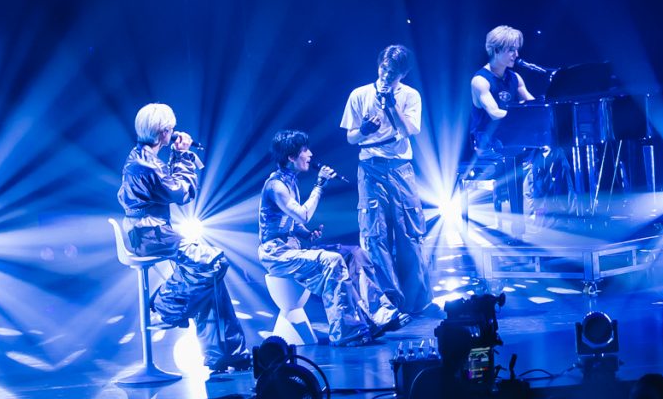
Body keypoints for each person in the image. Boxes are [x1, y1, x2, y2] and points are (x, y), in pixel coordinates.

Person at [117, 103, 247, 370]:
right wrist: (184, 157)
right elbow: (182, 193)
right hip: (150, 233)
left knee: (211, 280)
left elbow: (168, 185)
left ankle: (225, 353)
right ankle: (165, 303)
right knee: (213, 262)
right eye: (171, 129)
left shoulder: (143, 157)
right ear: (163, 132)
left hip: (151, 231)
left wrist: (176, 157)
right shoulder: (146, 164)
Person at [257, 130, 374, 343]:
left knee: (353, 253)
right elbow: (302, 215)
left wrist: (307, 234)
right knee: (332, 260)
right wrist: (319, 186)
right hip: (276, 254)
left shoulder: (290, 181)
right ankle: (346, 332)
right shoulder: (276, 186)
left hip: (291, 248)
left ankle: (373, 316)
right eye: (305, 150)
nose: (310, 154)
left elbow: (290, 223)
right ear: (291, 157)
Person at [342, 44, 431, 324]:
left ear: (402, 74)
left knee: (409, 232)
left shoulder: (410, 96)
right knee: (374, 234)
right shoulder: (359, 94)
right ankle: (387, 302)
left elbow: (410, 130)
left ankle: (416, 301)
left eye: (393, 72)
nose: (386, 74)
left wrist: (391, 103)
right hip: (370, 167)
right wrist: (364, 130)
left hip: (400, 168)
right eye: (384, 68)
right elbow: (351, 138)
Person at [466, 25, 538, 217]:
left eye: (517, 49)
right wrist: (523, 115)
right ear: (496, 50)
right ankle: (517, 218)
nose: (516, 54)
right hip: (487, 143)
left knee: (552, 151)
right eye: (511, 50)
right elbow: (495, 113)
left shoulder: (515, 78)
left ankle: (546, 215)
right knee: (519, 161)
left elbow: (531, 104)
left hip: (513, 140)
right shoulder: (480, 80)